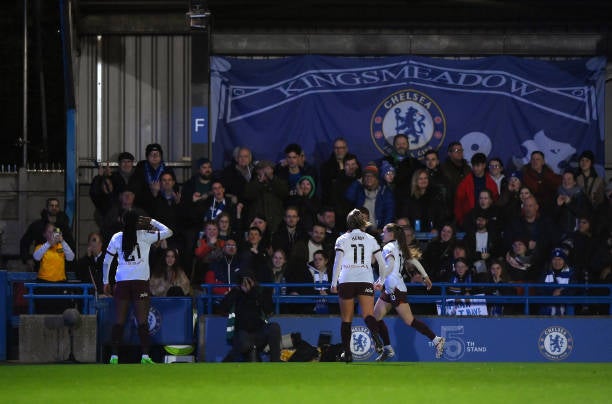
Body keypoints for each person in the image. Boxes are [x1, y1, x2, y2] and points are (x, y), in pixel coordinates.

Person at [102, 212, 173, 364]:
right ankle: (145, 356)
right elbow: (169, 232)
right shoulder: (145, 235)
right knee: (142, 321)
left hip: (122, 281)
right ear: (138, 222)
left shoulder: (117, 237)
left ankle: (114, 356)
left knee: (119, 321)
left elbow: (107, 261)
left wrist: (105, 281)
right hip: (140, 282)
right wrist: (153, 220)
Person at [373, 223, 446, 361]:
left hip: (394, 288)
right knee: (375, 317)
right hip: (391, 288)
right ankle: (387, 349)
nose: (382, 234)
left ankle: (437, 340)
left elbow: (391, 266)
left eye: (384, 232)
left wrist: (380, 281)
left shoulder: (388, 247)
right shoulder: (399, 246)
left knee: (409, 320)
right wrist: (425, 276)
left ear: (392, 234)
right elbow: (413, 260)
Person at [330, 209, 390, 362]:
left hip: (347, 279)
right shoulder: (370, 239)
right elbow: (382, 263)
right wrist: (381, 281)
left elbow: (337, 263)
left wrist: (333, 282)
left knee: (346, 319)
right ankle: (376, 339)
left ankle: (348, 354)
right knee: (368, 315)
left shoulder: (342, 239)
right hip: (365, 279)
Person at [221, 273, 281, 362]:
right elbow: (223, 307)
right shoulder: (236, 293)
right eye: (243, 280)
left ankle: (275, 362)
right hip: (241, 334)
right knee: (245, 344)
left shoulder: (260, 292)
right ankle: (228, 360)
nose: (246, 283)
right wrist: (236, 291)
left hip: (259, 333)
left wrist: (254, 291)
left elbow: (269, 310)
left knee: (274, 327)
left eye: (248, 280)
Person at [32, 222, 76, 313]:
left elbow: (71, 258)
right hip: (44, 284)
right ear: (44, 234)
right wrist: (49, 243)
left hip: (60, 283)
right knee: (43, 311)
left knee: (61, 311)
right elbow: (36, 257)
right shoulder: (40, 247)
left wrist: (62, 241)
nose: (52, 234)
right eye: (49, 232)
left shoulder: (61, 246)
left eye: (54, 231)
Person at [20, 198, 75, 270]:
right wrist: (27, 259)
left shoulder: (64, 226)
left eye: (56, 206)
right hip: (42, 266)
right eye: (51, 205)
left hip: (59, 267)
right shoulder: (38, 225)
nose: (54, 208)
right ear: (47, 207)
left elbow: (71, 245)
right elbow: (25, 242)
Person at [89, 152, 137, 226]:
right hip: (114, 218)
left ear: (132, 163)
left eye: (129, 162)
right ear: (119, 164)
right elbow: (96, 194)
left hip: (133, 216)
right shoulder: (111, 177)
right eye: (123, 162)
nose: (126, 164)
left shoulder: (137, 178)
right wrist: (100, 177)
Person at [344, 163, 395, 232]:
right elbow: (349, 197)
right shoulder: (360, 190)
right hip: (361, 230)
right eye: (366, 176)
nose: (368, 178)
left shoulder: (385, 192)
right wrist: (358, 181)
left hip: (378, 231)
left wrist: (383, 229)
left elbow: (389, 212)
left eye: (372, 176)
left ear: (377, 179)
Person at [454, 152, 499, 228]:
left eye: (478, 166)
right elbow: (458, 203)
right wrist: (461, 221)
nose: (475, 168)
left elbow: (495, 203)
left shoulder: (492, 184)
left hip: (487, 222)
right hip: (469, 222)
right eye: (473, 165)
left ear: (484, 165)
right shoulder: (464, 183)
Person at [539, 247, 576, 316]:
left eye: (560, 259)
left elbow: (573, 290)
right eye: (554, 259)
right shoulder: (545, 272)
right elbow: (540, 289)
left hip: (565, 303)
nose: (557, 262)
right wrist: (552, 294)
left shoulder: (571, 273)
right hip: (548, 302)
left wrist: (561, 293)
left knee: (570, 307)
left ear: (564, 261)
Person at [75, 231, 107, 297]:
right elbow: (80, 273)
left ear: (100, 244)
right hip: (89, 294)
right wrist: (88, 257)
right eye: (91, 242)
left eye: (95, 241)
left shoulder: (106, 259)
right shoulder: (85, 260)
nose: (93, 245)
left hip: (103, 294)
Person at [320, 137, 349, 206]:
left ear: (346, 149)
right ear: (333, 149)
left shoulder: (354, 164)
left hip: (351, 206)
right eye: (337, 148)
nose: (339, 150)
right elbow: (326, 190)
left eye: (342, 148)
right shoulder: (326, 167)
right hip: (333, 206)